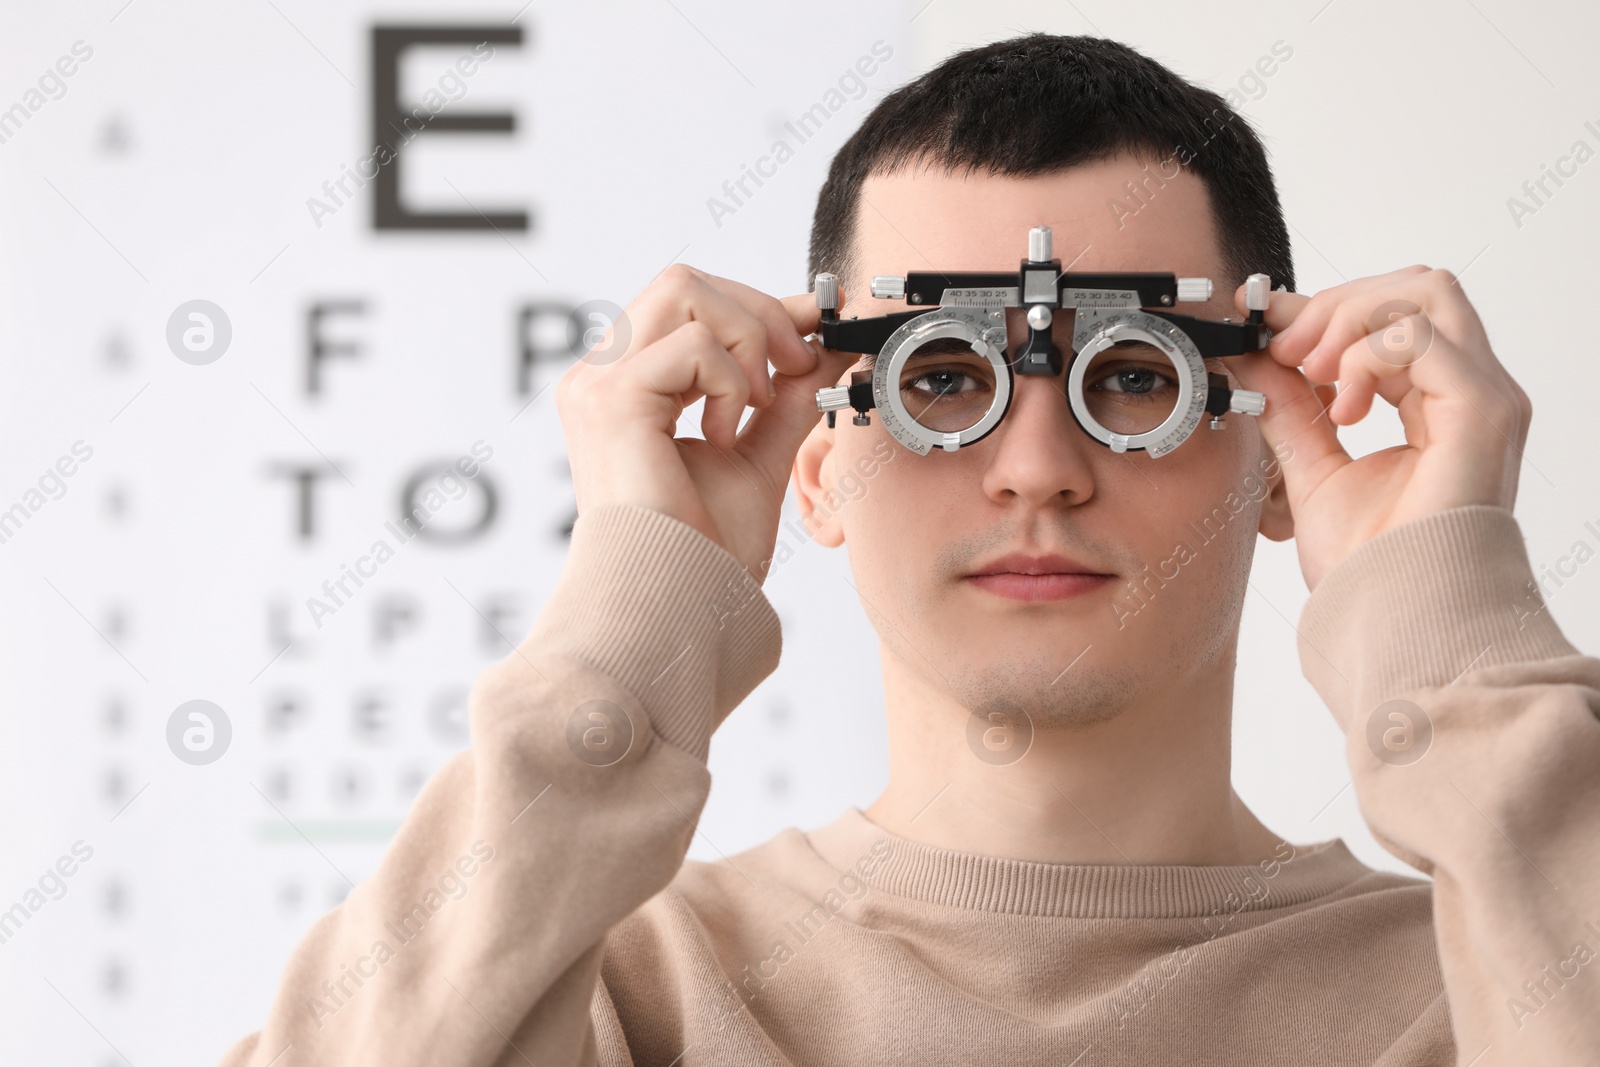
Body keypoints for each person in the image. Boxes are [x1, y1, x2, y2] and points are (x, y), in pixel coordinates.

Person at [220, 33, 1599, 1066]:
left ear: (1280, 454)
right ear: (818, 468)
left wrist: (1452, 623)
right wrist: (633, 606)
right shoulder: (629, 998)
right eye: (946, 382)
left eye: (1135, 379)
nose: (1041, 470)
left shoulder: (1491, 980)